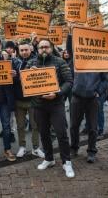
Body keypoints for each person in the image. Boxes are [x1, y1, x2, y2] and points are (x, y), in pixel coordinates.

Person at [26, 39, 75, 178]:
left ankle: (67, 162)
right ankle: (49, 158)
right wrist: (28, 74)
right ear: (37, 49)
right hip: (39, 105)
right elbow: (23, 81)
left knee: (61, 134)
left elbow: (69, 81)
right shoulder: (31, 63)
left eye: (46, 47)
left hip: (56, 104)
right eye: (41, 47)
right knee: (44, 133)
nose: (43, 49)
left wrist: (57, 92)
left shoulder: (60, 62)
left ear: (51, 48)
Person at [14, 41, 44, 158]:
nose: (24, 52)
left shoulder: (37, 61)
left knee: (35, 125)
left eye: (26, 50)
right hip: (18, 100)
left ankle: (36, 148)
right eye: (21, 50)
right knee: (20, 126)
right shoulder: (14, 62)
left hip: (33, 100)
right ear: (19, 51)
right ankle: (22, 147)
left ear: (30, 49)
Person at [70, 71, 108, 163]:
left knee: (93, 127)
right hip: (77, 97)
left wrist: (98, 90)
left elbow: (105, 79)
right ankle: (74, 148)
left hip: (92, 98)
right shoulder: (77, 59)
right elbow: (68, 75)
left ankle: (91, 151)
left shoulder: (97, 62)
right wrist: (74, 87)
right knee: (74, 125)